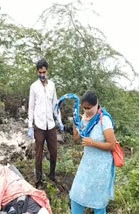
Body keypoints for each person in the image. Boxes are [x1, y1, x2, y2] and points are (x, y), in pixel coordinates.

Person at [69, 91, 116, 214]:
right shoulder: (84, 118)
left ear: (96, 105)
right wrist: (75, 120)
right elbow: (76, 136)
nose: (87, 111)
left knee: (98, 201)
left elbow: (112, 145)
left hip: (101, 166)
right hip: (87, 163)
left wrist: (93, 143)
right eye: (84, 108)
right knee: (76, 196)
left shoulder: (104, 119)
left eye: (89, 108)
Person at [27, 59, 64, 188]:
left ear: (47, 71)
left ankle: (52, 174)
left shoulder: (52, 86)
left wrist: (59, 120)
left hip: (50, 124)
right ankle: (38, 180)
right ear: (37, 72)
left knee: (54, 151)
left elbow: (56, 104)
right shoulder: (34, 87)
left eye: (44, 72)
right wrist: (30, 126)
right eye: (40, 72)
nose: (42, 75)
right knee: (39, 153)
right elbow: (31, 107)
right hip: (39, 125)